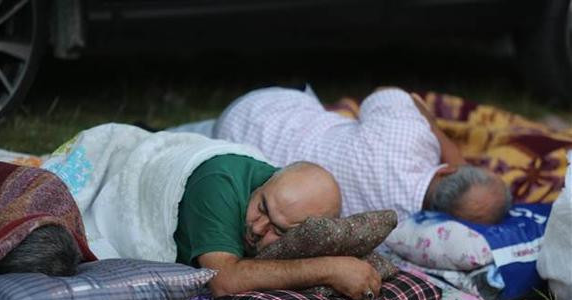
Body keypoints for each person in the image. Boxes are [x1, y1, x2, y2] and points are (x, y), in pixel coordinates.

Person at [213, 86, 512, 225]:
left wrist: (434, 127)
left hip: (259, 109)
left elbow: (383, 94)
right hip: (233, 152)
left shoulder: (410, 134)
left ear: (447, 170)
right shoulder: (398, 232)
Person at [174, 155, 382, 300]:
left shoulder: (298, 221)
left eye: (279, 231)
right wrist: (329, 269)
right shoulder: (217, 185)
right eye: (262, 207)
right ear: (265, 184)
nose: (257, 228)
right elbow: (223, 282)